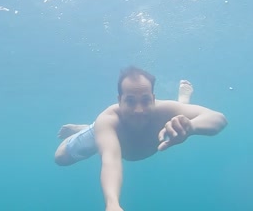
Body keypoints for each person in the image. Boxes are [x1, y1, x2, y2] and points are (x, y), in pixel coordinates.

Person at [54, 66, 227, 211]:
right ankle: (88, 129)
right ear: (119, 100)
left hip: (157, 123)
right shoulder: (109, 121)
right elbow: (111, 161)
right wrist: (112, 203)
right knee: (60, 158)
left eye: (145, 100)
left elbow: (219, 119)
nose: (139, 110)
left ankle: (183, 102)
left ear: (153, 98)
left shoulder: (164, 111)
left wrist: (190, 127)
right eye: (130, 101)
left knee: (178, 121)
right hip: (109, 134)